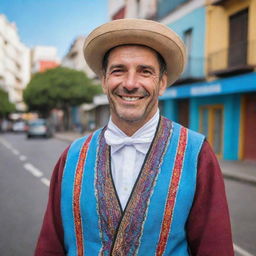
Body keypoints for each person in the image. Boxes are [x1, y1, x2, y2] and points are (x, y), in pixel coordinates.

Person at [35, 19, 234, 256]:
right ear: (104, 81)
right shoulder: (72, 157)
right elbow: (50, 244)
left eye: (145, 72)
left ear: (161, 83)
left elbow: (215, 246)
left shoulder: (196, 153)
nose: (130, 84)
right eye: (118, 71)